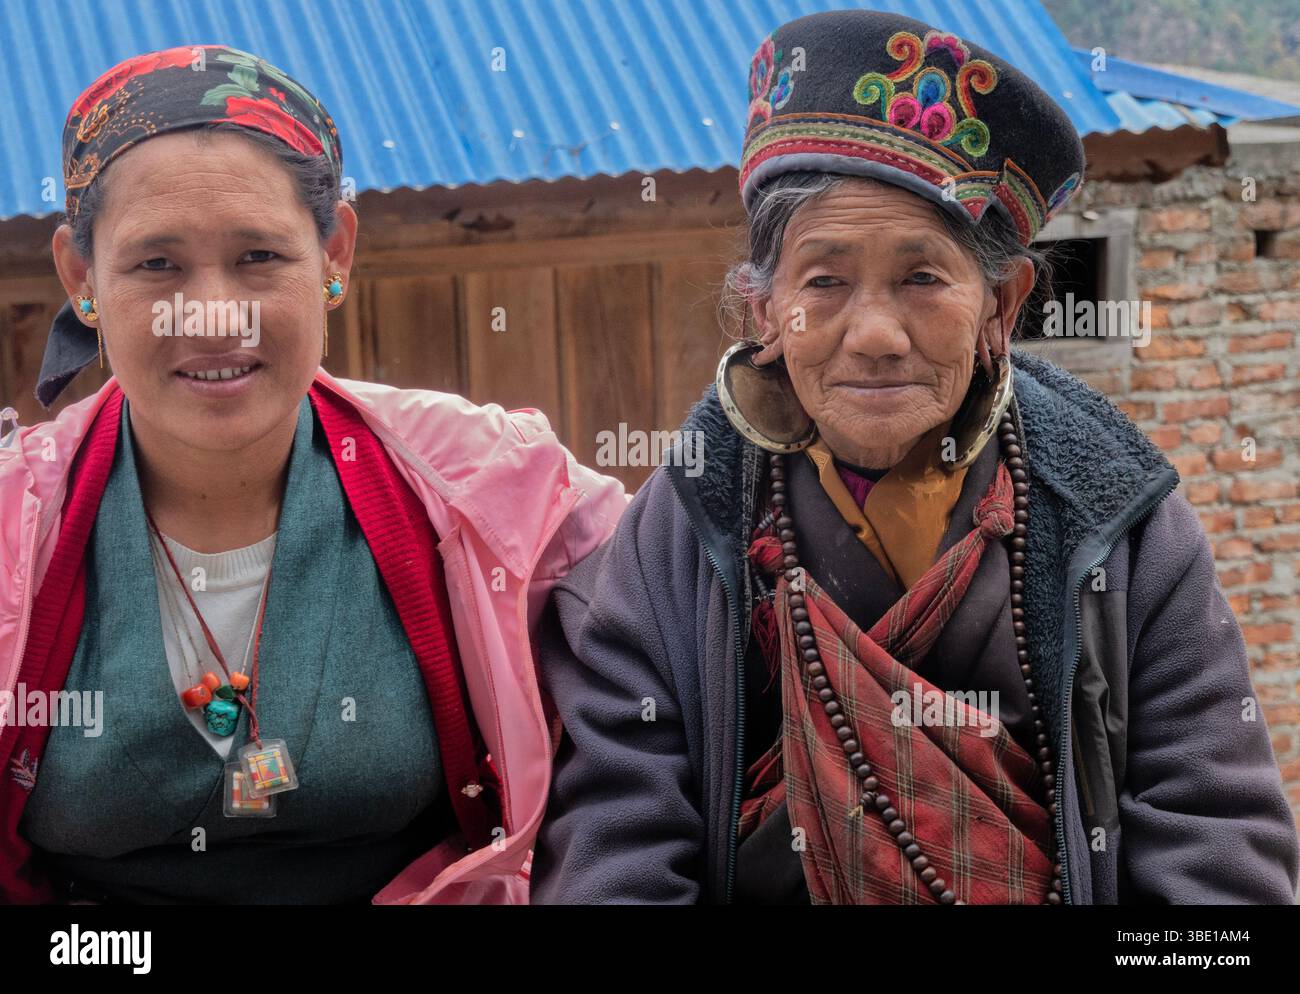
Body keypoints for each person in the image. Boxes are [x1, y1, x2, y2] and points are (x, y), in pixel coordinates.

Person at [531, 9, 1300, 904]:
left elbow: (1222, 875)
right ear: (763, 311)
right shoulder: (683, 527)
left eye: (923, 278)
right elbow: (612, 858)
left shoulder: (1121, 523)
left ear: (1001, 306)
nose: (876, 334)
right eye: (823, 280)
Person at [0, 44, 626, 904]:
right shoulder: (13, 530)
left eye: (259, 256)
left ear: (334, 252)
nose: (214, 313)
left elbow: (677, 623)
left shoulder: (482, 486)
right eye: (157, 265)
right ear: (82, 277)